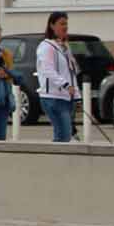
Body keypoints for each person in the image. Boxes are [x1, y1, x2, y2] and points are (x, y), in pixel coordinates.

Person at [34, 12, 80, 143]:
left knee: (64, 135)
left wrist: (76, 95)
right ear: (52, 25)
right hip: (53, 97)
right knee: (64, 134)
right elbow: (48, 70)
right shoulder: (46, 47)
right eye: (61, 23)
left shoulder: (64, 46)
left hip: (66, 97)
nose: (65, 27)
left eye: (66, 24)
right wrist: (65, 84)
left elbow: (72, 72)